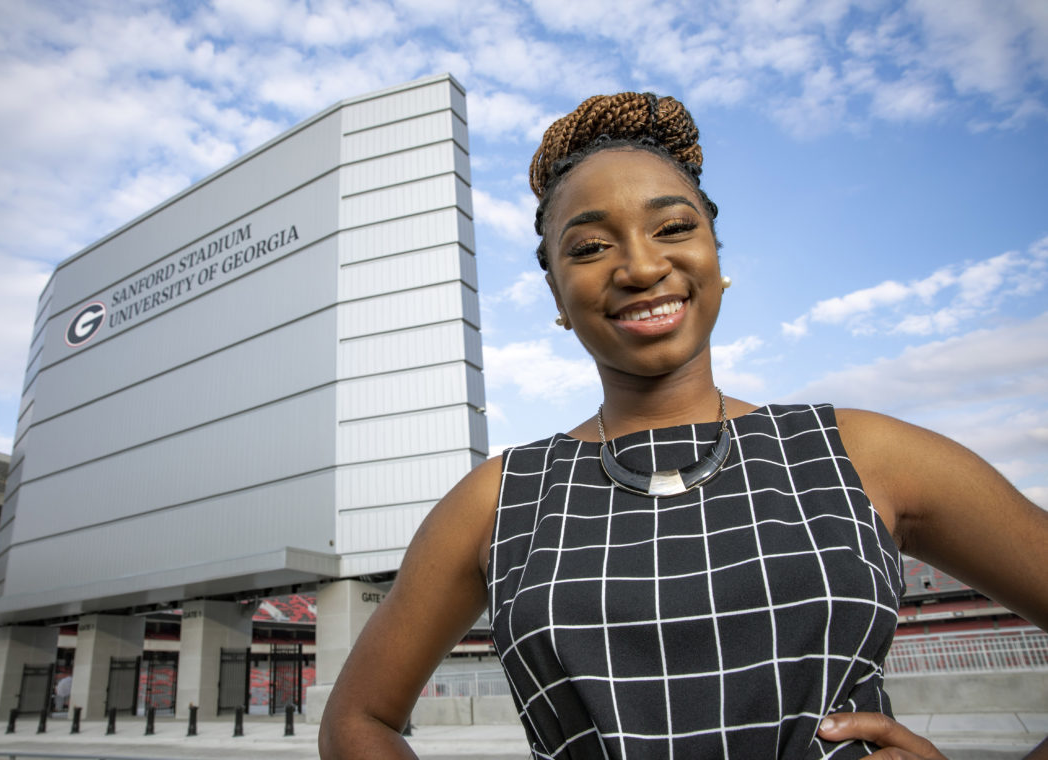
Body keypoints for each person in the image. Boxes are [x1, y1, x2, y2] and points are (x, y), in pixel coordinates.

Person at [318, 92, 1048, 759]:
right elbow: (358, 720)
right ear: (557, 294)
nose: (640, 266)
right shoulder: (498, 499)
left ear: (716, 258)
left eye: (672, 226)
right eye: (591, 246)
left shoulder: (866, 454)